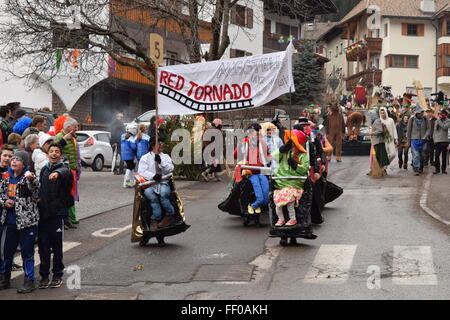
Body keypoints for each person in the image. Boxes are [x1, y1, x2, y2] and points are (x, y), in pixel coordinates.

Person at [0, 151, 40, 293]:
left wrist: (31, 180)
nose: (14, 161)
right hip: (9, 222)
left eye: (18, 160)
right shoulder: (5, 177)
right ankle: (5, 279)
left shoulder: (28, 177)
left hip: (26, 222)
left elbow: (36, 192)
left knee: (27, 252)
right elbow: (0, 195)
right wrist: (4, 202)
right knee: (6, 252)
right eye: (13, 159)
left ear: (24, 164)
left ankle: (29, 281)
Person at [37, 143, 73, 289]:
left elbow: (65, 172)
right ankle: (44, 275)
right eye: (51, 151)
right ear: (47, 154)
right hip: (43, 214)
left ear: (60, 154)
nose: (53, 154)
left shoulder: (64, 168)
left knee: (57, 246)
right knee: (43, 246)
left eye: (56, 152)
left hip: (57, 214)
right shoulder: (44, 169)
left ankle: (57, 274)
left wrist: (57, 174)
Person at [272, 130, 309, 227]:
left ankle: (293, 219)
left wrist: (295, 165)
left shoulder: (303, 155)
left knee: (289, 198)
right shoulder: (284, 153)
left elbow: (304, 170)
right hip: (281, 183)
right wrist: (282, 149)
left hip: (294, 184)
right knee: (277, 200)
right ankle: (281, 219)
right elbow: (273, 157)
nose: (289, 141)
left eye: (291, 140)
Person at [138, 137, 175, 231]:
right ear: (153, 145)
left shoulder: (165, 156)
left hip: (163, 183)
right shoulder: (145, 157)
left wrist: (161, 162)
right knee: (151, 196)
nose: (162, 145)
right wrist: (153, 176)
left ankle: (170, 215)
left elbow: (170, 169)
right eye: (160, 143)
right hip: (150, 184)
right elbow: (141, 171)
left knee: (163, 194)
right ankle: (155, 219)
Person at [233, 123, 271, 214]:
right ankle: (253, 205)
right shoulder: (244, 142)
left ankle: (255, 205)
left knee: (266, 197)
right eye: (255, 133)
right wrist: (240, 148)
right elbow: (235, 155)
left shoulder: (262, 142)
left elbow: (268, 155)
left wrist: (270, 158)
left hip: (261, 171)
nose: (257, 135)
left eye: (258, 133)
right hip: (249, 172)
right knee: (260, 196)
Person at [54, 118, 81, 226]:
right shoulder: (59, 136)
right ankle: (65, 219)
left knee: (71, 195)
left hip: (72, 171)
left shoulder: (74, 138)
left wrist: (77, 169)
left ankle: (69, 218)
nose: (77, 129)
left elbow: (75, 155)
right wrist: (64, 139)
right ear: (68, 127)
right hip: (64, 171)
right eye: (76, 127)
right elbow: (54, 150)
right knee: (65, 195)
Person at [407, 106, 429, 176]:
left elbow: (428, 129)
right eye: (421, 112)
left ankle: (421, 166)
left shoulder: (425, 119)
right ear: (417, 113)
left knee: (422, 155)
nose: (422, 114)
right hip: (414, 139)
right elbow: (409, 131)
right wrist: (408, 141)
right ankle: (416, 169)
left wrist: (425, 136)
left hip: (423, 140)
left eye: (422, 112)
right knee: (416, 155)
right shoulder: (412, 119)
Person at [433, 109, 450, 174]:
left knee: (444, 156)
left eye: (441, 114)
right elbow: (435, 131)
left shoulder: (448, 121)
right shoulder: (437, 121)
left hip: (444, 141)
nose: (440, 115)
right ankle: (437, 169)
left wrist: (439, 120)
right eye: (440, 114)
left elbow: (444, 127)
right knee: (436, 156)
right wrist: (434, 139)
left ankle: (443, 169)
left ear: (445, 115)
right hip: (437, 141)